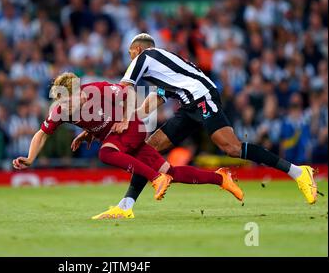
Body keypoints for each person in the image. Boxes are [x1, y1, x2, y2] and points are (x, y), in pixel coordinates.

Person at [88, 33, 318, 219]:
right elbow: (156, 100)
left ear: (138, 49)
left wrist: (125, 119)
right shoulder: (164, 67)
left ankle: (299, 172)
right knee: (150, 148)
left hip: (201, 98)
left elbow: (125, 87)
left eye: (131, 54)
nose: (130, 59)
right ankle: (125, 206)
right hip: (189, 106)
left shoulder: (144, 57)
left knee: (232, 148)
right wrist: (135, 117)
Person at [13, 73, 244, 208]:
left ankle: (156, 179)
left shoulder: (97, 90)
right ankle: (221, 178)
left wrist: (123, 118)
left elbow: (130, 93)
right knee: (171, 170)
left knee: (105, 153)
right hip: (117, 136)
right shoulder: (60, 111)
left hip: (130, 126)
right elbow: (41, 133)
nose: (67, 106)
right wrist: (31, 157)